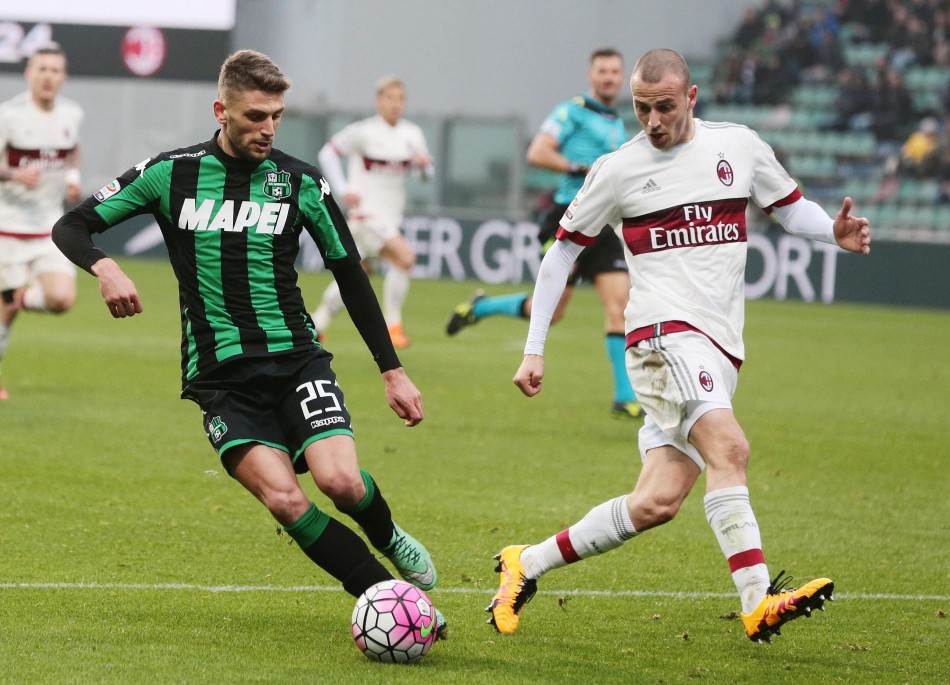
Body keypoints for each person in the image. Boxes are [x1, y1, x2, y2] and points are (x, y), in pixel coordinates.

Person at [51, 50, 446, 637]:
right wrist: (105, 268)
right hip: (220, 378)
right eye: (256, 115)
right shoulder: (172, 173)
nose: (267, 128)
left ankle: (386, 533)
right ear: (222, 110)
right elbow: (72, 225)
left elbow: (350, 275)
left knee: (341, 482)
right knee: (286, 500)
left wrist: (392, 370)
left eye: (277, 116)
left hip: (296, 360)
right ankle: (395, 603)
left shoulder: (300, 181)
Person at [488, 48, 871, 644]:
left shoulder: (738, 147)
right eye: (642, 108)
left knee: (657, 502)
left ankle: (526, 563)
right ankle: (757, 601)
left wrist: (833, 231)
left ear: (690, 98)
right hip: (661, 337)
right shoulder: (617, 169)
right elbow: (563, 251)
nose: (653, 120)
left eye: (664, 106)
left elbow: (792, 210)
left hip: (718, 347)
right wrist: (534, 347)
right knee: (732, 447)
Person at [446, 47, 641, 418]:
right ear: (591, 75)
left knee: (620, 305)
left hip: (605, 223)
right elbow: (537, 151)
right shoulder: (573, 111)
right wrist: (578, 166)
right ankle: (482, 307)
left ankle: (623, 396)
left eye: (615, 72)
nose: (610, 78)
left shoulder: (616, 122)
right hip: (570, 215)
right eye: (603, 71)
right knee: (550, 311)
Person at [309, 75, 432, 350]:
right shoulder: (364, 131)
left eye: (400, 99)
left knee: (357, 275)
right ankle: (393, 325)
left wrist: (424, 167)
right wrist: (340, 189)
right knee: (405, 258)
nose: (395, 104)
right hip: (365, 216)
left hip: (389, 219)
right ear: (379, 101)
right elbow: (327, 153)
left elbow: (427, 175)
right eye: (389, 98)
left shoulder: (412, 135)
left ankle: (317, 324)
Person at [0, 43, 83, 401]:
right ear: (28, 73)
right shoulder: (9, 115)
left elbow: (72, 149)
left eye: (55, 70)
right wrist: (13, 175)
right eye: (42, 69)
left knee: (61, 299)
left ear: (63, 77)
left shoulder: (71, 114)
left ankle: (19, 295)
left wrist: (73, 176)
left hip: (50, 227)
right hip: (8, 227)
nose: (48, 76)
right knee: (5, 315)